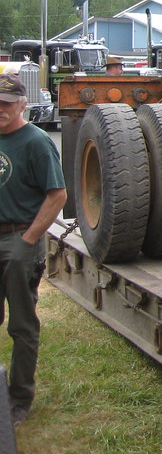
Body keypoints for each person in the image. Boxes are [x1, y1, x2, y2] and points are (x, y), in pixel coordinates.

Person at [0, 74, 67, 427]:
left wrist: (28, 241)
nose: (1, 109)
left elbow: (57, 195)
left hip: (19, 238)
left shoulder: (37, 142)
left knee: (22, 325)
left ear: (22, 105)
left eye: (7, 104)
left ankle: (18, 399)